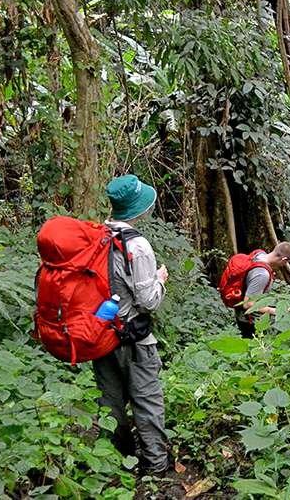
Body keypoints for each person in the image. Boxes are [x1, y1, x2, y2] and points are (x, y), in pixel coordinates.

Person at [93, 174, 169, 475]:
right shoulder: (137, 245)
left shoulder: (97, 235)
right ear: (139, 208)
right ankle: (156, 469)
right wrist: (160, 280)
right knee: (147, 400)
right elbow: (148, 301)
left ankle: (116, 464)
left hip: (100, 333)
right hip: (134, 338)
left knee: (110, 401)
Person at [234, 243, 290, 338]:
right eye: (285, 263)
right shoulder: (262, 275)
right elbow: (248, 304)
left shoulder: (259, 254)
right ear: (284, 259)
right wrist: (276, 311)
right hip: (249, 321)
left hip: (243, 314)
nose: (284, 266)